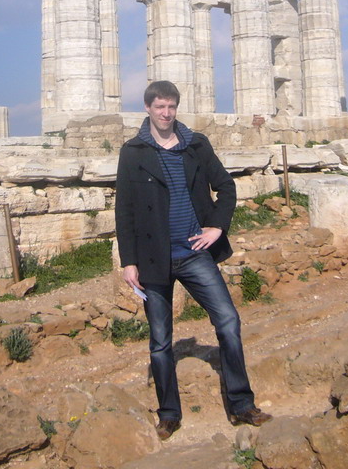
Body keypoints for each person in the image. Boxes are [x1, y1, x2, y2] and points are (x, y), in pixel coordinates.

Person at [115, 80, 272, 441]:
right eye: (159, 107)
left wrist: (217, 225)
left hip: (193, 253)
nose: (166, 113)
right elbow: (124, 211)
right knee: (159, 341)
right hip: (153, 259)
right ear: (148, 109)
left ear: (176, 109)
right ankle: (169, 414)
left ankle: (241, 404)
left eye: (171, 107)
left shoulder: (196, 145)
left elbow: (226, 186)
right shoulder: (133, 151)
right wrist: (129, 262)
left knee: (229, 321)